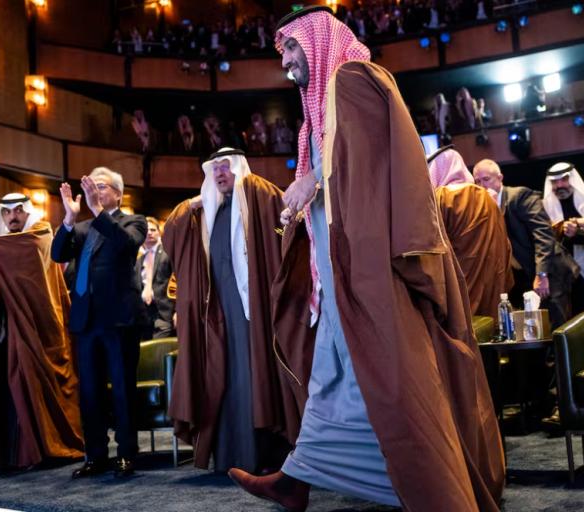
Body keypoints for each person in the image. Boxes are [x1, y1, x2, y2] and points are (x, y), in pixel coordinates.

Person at [228, 7, 504, 511]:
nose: (286, 60)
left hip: (366, 267)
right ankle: (298, 475)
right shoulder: (324, 105)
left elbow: (373, 165)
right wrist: (308, 195)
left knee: (380, 372)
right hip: (342, 269)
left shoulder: (353, 79)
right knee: (334, 370)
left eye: (292, 47)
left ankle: (433, 489)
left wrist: (313, 179)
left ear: (318, 40)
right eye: (283, 51)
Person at [163, 147, 298, 474]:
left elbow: (284, 219)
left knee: (254, 377)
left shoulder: (258, 197)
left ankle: (263, 456)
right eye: (215, 169)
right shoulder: (206, 212)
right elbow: (172, 234)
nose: (220, 173)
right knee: (221, 377)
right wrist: (192, 204)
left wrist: (248, 187)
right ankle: (229, 457)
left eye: (226, 167)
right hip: (217, 313)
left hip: (253, 313)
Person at [0, 193, 84, 469]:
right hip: (9, 327)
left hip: (40, 328)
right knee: (10, 390)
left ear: (28, 212)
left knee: (32, 386)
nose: (13, 217)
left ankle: (44, 450)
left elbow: (25, 249)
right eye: (7, 212)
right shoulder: (1, 244)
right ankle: (15, 455)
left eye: (18, 211)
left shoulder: (39, 233)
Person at [52, 167, 147, 478]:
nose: (95, 190)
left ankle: (126, 453)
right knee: (90, 392)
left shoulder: (133, 221)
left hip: (118, 319)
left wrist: (97, 211)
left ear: (118, 193)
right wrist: (69, 218)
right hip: (86, 319)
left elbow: (126, 245)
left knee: (122, 388)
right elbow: (57, 254)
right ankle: (95, 456)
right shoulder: (82, 228)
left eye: (102, 186)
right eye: (92, 186)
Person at [473, 159, 576, 328]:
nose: (482, 185)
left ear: (500, 178)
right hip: (523, 278)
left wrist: (541, 275)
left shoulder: (520, 196)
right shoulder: (483, 206)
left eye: (486, 179)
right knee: (534, 331)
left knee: (558, 327)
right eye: (477, 181)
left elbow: (544, 235)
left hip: (549, 272)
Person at [427, 146, 512, 319]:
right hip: (493, 290)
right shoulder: (489, 198)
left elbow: (432, 251)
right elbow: (505, 246)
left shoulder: (440, 198)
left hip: (460, 295)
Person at [543, 162, 584, 314]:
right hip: (561, 278)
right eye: (554, 182)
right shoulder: (545, 210)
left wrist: (577, 233)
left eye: (564, 179)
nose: (559, 185)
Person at [135, 217, 174, 340]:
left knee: (160, 349)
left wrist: (178, 311)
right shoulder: (138, 260)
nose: (149, 233)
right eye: (146, 230)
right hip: (143, 318)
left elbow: (178, 282)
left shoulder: (168, 253)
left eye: (153, 230)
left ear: (159, 233)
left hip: (164, 315)